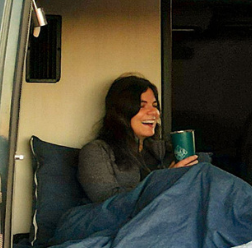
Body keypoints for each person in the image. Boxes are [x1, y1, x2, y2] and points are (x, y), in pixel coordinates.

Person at [76, 74, 198, 204]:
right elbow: (107, 201)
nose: (154, 112)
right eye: (142, 106)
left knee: (206, 173)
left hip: (167, 218)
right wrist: (165, 179)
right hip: (122, 221)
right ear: (121, 112)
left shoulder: (162, 150)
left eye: (155, 105)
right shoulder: (96, 151)